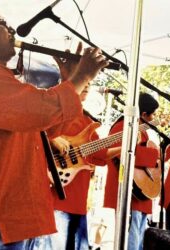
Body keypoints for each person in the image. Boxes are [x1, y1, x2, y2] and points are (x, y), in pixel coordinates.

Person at [0, 5, 109, 249]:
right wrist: (81, 77)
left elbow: (44, 129)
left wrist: (68, 82)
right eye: (3, 24)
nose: (12, 30)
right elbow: (40, 111)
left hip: (14, 216)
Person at [48, 84, 121, 250]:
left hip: (79, 194)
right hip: (57, 193)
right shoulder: (55, 111)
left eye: (90, 82)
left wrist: (124, 146)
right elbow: (34, 130)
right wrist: (52, 137)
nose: (87, 84)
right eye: (84, 80)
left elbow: (99, 154)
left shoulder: (87, 120)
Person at [103, 93, 160, 250]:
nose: (154, 117)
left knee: (138, 238)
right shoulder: (122, 127)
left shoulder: (143, 131)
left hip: (140, 193)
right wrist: (155, 154)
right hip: (128, 191)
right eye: (152, 114)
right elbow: (124, 154)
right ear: (143, 114)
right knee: (131, 239)